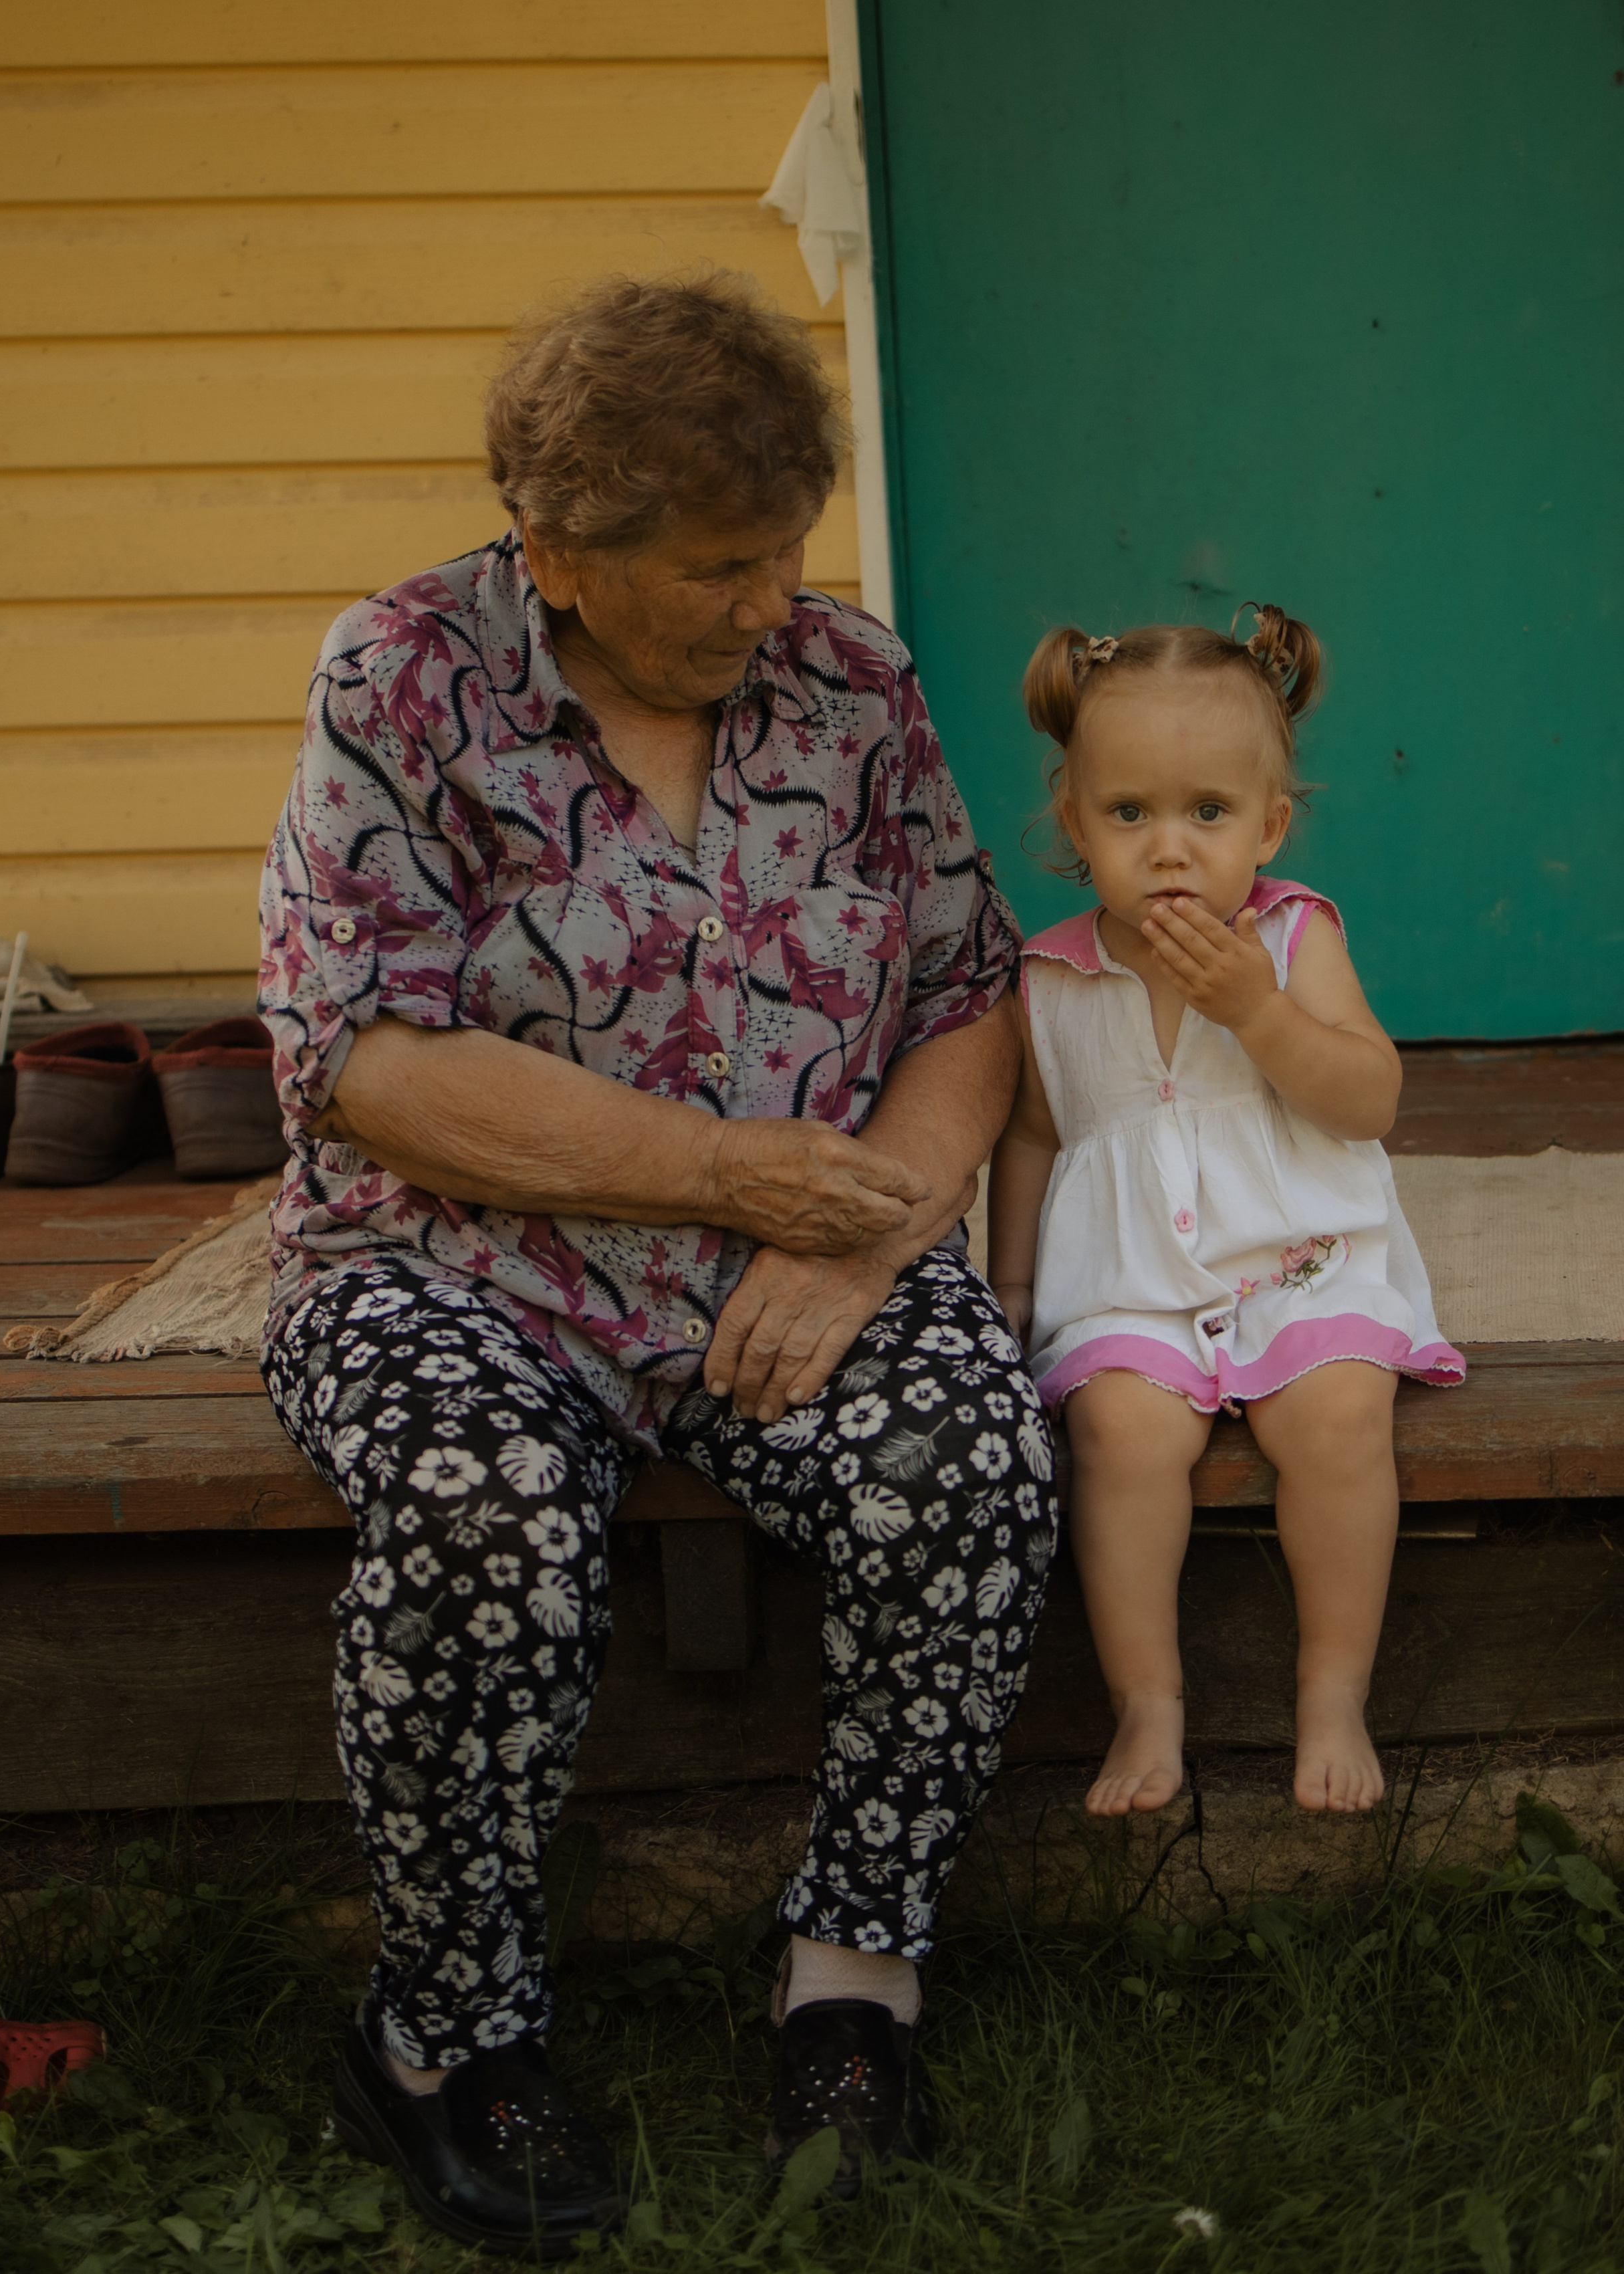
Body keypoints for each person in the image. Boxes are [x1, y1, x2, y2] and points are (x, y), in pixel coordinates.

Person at [257, 273, 1056, 2254]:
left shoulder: (851, 682)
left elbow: (970, 989)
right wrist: (727, 1176)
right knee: (484, 1503)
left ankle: (852, 1984)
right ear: (555, 551)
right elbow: (364, 1064)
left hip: (799, 1247)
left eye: (786, 551)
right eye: (716, 567)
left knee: (970, 1455)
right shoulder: (400, 680)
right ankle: (445, 2034)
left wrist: (875, 1229)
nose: (769, 602)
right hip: (456, 1263)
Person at [988, 608, 1463, 1825]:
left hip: (1300, 1263)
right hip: (1135, 1281)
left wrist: (1260, 1012)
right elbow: (1034, 1134)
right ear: (1074, 821)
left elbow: (1370, 1099)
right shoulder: (1049, 980)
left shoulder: (1294, 939)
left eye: (1209, 812)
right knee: (1118, 1438)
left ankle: (1332, 1690)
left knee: (1341, 1414)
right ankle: (1147, 1700)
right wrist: (1015, 1283)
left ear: (1270, 825)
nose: (1170, 849)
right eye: (1128, 813)